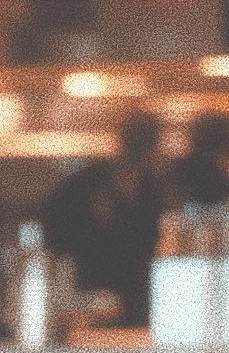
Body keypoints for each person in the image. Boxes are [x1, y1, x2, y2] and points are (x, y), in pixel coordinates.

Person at [35, 102, 169, 310]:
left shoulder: (150, 187)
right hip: (95, 291)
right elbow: (54, 226)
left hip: (132, 292)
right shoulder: (91, 182)